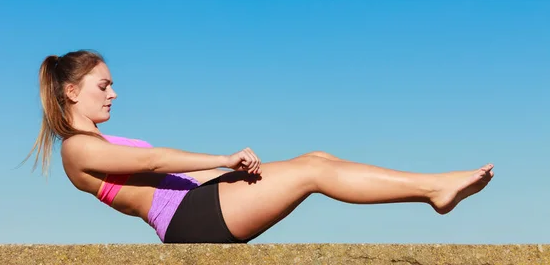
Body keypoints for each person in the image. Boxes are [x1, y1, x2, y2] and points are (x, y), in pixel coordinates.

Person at [24, 49, 494, 244]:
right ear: (71, 92)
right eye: (103, 85)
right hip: (188, 220)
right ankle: (435, 189)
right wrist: (223, 160)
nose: (113, 93)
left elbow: (161, 176)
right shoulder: (77, 150)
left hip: (200, 201)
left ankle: (433, 188)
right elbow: (153, 160)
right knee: (313, 172)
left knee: (316, 159)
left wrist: (238, 174)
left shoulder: (98, 142)